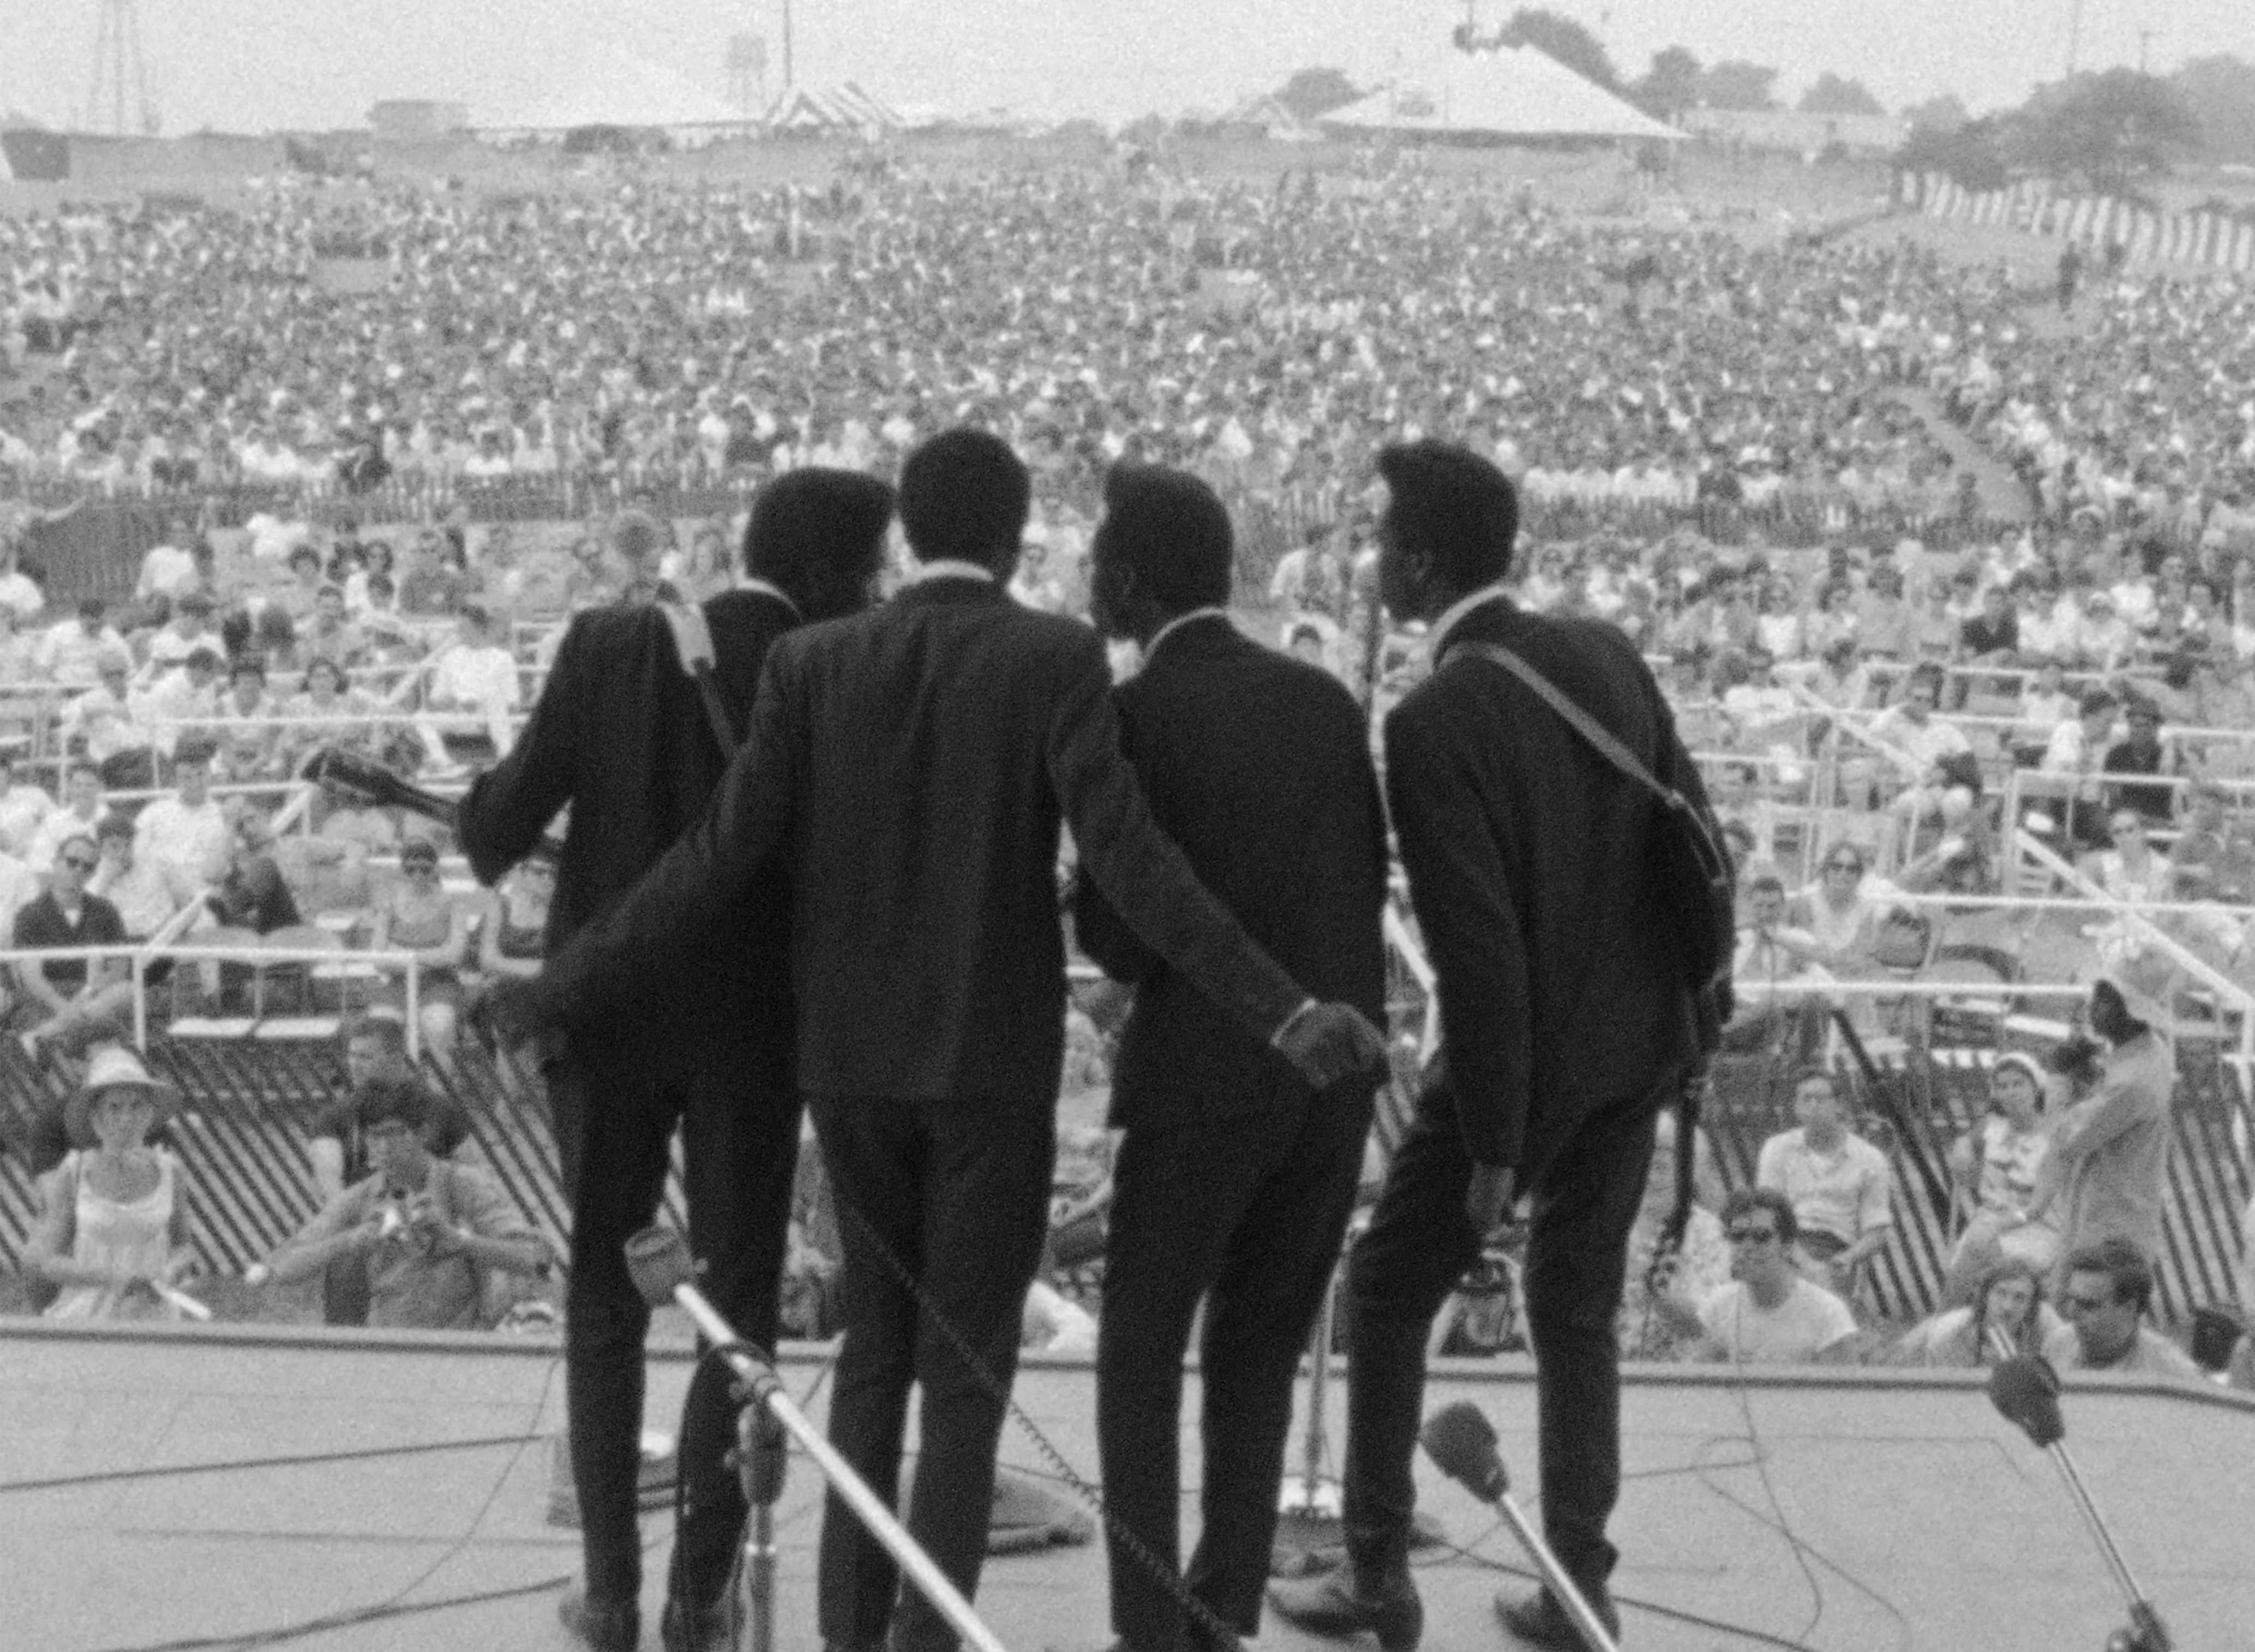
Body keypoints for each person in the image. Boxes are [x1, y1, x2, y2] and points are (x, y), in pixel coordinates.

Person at [507, 429, 1383, 1652]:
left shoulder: (813, 660)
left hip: (851, 1069)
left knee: (873, 1356)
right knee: (965, 1378)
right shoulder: (1053, 655)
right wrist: (1281, 1006)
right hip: (989, 1067)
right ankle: (931, 1636)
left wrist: (558, 983)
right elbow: (1132, 860)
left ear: (907, 536)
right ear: (1017, 539)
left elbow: (711, 857)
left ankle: (848, 1635)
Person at [1269, 441, 1712, 1652]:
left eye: (1380, 540)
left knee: (1385, 1287)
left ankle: (1376, 1574)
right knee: (1575, 1305)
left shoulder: (1433, 718)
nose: (1370, 561)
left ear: (1418, 561)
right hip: (1638, 1042)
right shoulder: (1603, 651)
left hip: (1522, 1068)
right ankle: (1579, 1586)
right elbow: (1692, 835)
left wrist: (1494, 1147)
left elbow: (1478, 952)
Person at [459, 468, 898, 1652]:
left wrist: (478, 807)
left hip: (602, 1018)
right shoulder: (831, 666)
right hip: (753, 1030)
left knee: (605, 1293)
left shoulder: (609, 642)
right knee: (736, 1303)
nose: (877, 591)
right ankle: (701, 1595)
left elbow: (497, 830)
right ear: (828, 571)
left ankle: (607, 1590)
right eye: (870, 570)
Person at [1073, 464, 1389, 1652]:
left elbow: (1118, 933)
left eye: (1097, 560)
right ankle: (1220, 1614)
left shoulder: (1134, 712)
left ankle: (1146, 1626)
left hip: (1199, 1084)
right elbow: (1359, 882)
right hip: (1328, 1087)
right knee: (1258, 1355)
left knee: (1140, 1352)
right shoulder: (1322, 699)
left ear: (1128, 580)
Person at [259, 1076, 545, 1329]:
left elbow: (537, 1260)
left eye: (395, 1134)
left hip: (463, 1342)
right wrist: (350, 1241)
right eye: (375, 1136)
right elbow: (282, 1267)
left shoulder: (462, 1184)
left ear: (422, 1134)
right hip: (391, 1344)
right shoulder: (362, 1197)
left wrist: (460, 1241)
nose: (384, 1148)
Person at [24, 1047, 200, 1320]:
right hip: (86, 1320)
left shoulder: (170, 1171)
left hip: (153, 1320)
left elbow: (184, 1248)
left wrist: (169, 1272)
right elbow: (50, 1262)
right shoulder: (75, 1173)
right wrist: (114, 1279)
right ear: (96, 1118)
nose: (126, 1119)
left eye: (136, 1106)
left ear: (150, 1115)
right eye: (115, 1108)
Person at [2048, 972, 2175, 1290]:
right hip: (2109, 1207)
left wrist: (2059, 1076)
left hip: (2110, 1221)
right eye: (2096, 995)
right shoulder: (2148, 1050)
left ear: (2132, 1012)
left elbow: (2066, 1139)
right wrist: (2087, 1071)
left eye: (2106, 1000)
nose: (2093, 1006)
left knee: (2078, 1303)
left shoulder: (2132, 1080)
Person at [1652, 1188, 1858, 1365]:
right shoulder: (1719, 1306)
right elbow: (1704, 1385)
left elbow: (1844, 1395)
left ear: (1787, 1246)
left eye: (1761, 1237)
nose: (1748, 1246)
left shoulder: (1828, 1316)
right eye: (1738, 1236)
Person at [1756, 1068, 1895, 1299]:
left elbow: (1877, 1230)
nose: (1813, 1106)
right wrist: (1802, 1260)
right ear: (1796, 1107)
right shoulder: (1778, 1149)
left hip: (1837, 1251)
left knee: (1820, 1296)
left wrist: (1848, 1258)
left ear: (1839, 1105)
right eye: (1806, 1099)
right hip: (1785, 1245)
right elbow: (1767, 1215)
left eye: (1820, 1099)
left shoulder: (1869, 1159)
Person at [1942, 1052, 2062, 1301]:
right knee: (1975, 1249)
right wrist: (1963, 1146)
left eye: (2019, 1084)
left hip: (2036, 1226)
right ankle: (1955, 1315)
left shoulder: (2053, 1135)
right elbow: (1966, 1143)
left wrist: (1996, 1228)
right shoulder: (1991, 1126)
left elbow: (2037, 1208)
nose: (2011, 1092)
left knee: (1982, 1253)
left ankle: (1948, 1314)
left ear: (2036, 1088)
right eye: (2002, 1086)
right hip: (1990, 1219)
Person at [10, 833, 132, 1061]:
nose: (78, 870)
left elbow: (119, 968)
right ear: (56, 862)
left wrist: (88, 994)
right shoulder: (30, 914)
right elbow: (32, 977)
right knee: (100, 1020)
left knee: (126, 990)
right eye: (72, 862)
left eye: (87, 866)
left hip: (94, 997)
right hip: (47, 999)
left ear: (93, 873)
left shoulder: (105, 911)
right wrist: (64, 1008)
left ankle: (44, 1034)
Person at [2043, 1238, 2204, 1381]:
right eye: (2072, 1300)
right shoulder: (2057, 1345)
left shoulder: (2172, 1373)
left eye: (2088, 1305)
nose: (2071, 1313)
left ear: (2129, 1309)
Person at [1894, 1256, 2061, 1367]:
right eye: (2001, 1293)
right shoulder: (1952, 1334)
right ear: (1984, 1296)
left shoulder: (2046, 1323)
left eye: (2020, 1298)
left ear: (2032, 1305)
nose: (2008, 1307)